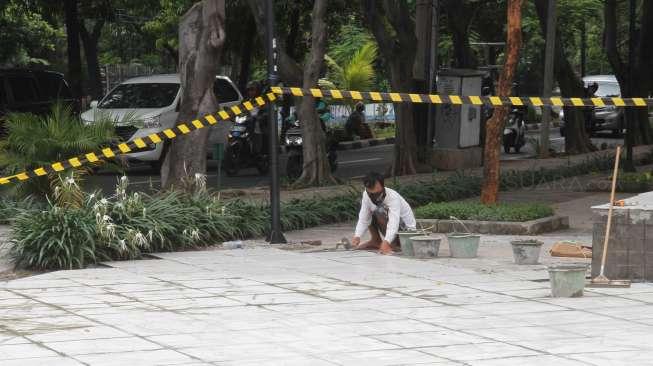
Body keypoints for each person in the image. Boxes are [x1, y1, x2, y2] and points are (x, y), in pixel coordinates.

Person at [352, 172, 417, 255]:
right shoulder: (366, 195)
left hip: (405, 233)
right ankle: (375, 241)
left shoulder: (392, 197)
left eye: (377, 192)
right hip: (388, 226)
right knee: (368, 209)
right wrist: (357, 235)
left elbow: (394, 222)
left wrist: (386, 242)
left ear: (383, 187)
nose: (375, 196)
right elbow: (364, 217)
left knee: (380, 209)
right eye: (371, 193)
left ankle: (393, 244)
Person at [245, 81, 267, 155]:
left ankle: (257, 154)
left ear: (258, 90)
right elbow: (240, 111)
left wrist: (259, 117)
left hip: (257, 125)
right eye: (248, 90)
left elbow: (266, 112)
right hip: (246, 124)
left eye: (252, 90)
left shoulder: (262, 101)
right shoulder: (246, 101)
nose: (250, 92)